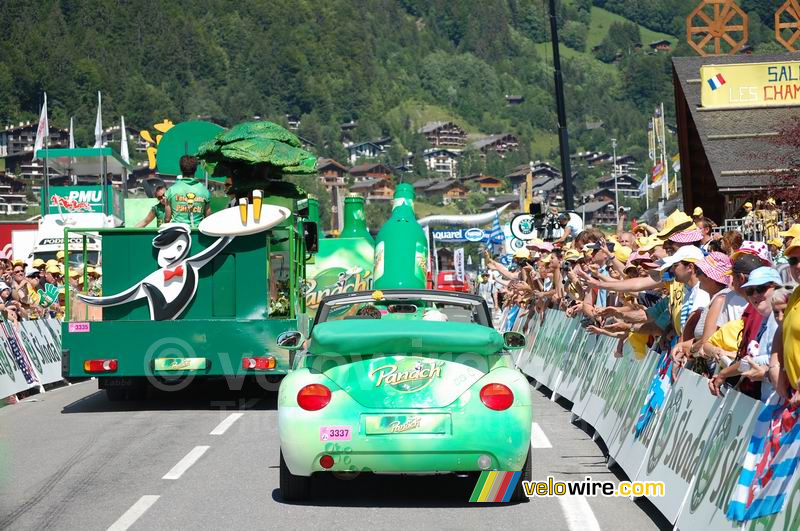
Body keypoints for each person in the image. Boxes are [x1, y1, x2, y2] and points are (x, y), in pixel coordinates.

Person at [165, 155, 211, 228]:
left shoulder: (171, 190)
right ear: (196, 169)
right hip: (197, 233)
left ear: (180, 169)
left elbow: (167, 219)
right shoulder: (204, 191)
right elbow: (208, 218)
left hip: (177, 232)